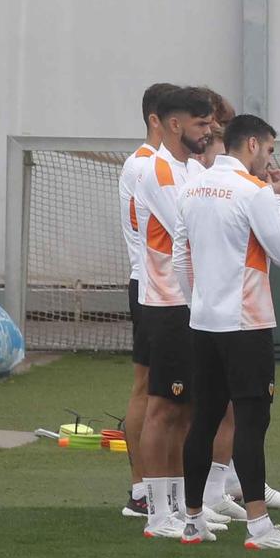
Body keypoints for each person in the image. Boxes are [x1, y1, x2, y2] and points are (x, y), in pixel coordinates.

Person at [176, 114, 280, 551]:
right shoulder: (255, 192)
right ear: (252, 144)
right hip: (246, 323)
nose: (270, 160)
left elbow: (180, 257)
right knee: (252, 420)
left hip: (204, 321)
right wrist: (278, 198)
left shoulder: (192, 187)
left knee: (204, 418)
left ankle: (192, 519)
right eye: (269, 150)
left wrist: (200, 303)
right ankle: (259, 525)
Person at [131, 86, 213, 539]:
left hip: (187, 302)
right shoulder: (158, 171)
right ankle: (156, 512)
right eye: (201, 124)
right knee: (163, 405)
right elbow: (190, 226)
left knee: (186, 408)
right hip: (166, 302)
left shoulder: (185, 168)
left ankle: (181, 506)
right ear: (176, 124)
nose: (208, 132)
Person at [118, 82, 180, 519]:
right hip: (150, 286)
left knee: (170, 394)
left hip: (163, 289)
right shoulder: (143, 166)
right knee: (150, 391)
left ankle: (168, 488)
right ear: (156, 121)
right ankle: (141, 488)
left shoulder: (165, 165)